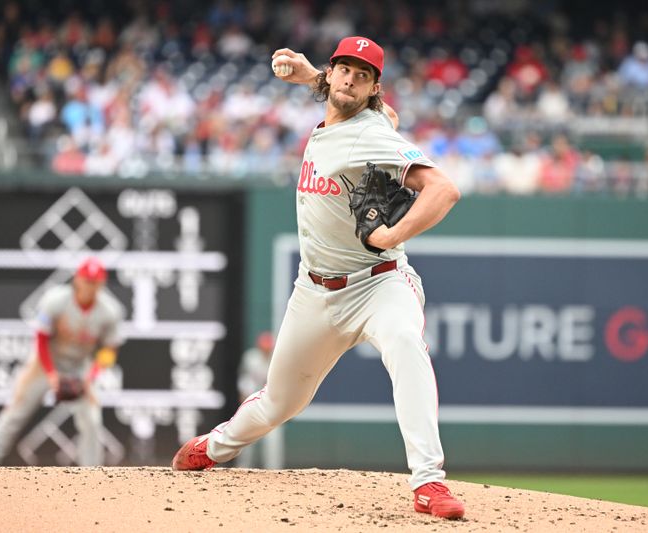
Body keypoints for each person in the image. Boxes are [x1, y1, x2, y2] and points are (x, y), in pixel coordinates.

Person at [172, 36, 465, 520]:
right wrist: (312, 77)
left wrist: (393, 235)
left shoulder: (370, 133)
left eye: (363, 74)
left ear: (375, 88)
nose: (350, 78)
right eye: (343, 69)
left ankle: (429, 483)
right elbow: (372, 112)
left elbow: (443, 189)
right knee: (279, 402)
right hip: (316, 290)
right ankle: (216, 446)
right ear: (332, 73)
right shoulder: (354, 117)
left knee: (405, 344)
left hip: (379, 283)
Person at [0, 257, 124, 466]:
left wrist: (90, 378)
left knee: (91, 420)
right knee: (15, 412)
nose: (90, 285)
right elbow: (42, 339)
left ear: (101, 283)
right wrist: (52, 374)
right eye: (86, 280)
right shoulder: (56, 300)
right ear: (77, 280)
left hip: (79, 366)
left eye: (95, 281)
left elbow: (109, 350)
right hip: (44, 363)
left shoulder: (109, 311)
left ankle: (92, 477)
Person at [234, 331, 274, 468]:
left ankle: (273, 471)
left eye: (268, 346)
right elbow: (244, 379)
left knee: (271, 442)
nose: (266, 349)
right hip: (252, 402)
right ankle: (242, 469)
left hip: (270, 405)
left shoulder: (277, 359)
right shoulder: (251, 358)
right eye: (264, 346)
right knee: (246, 439)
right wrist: (244, 395)